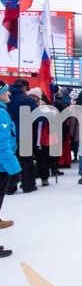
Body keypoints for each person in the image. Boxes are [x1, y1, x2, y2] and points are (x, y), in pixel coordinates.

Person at [0, 83, 22, 253]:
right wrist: (14, 170)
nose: (9, 93)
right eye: (5, 91)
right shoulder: (0, 113)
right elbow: (2, 144)